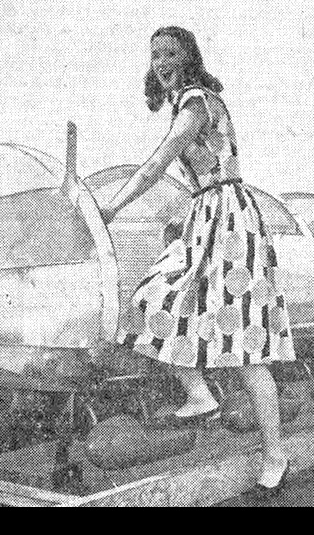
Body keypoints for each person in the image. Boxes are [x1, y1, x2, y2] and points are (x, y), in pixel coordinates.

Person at [98, 26, 296, 496]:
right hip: (208, 215)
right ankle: (200, 393)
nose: (161, 63)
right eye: (155, 56)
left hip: (229, 220)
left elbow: (156, 164)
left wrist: (111, 207)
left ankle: (275, 454)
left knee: (247, 347)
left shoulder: (196, 102)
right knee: (152, 300)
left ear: (189, 58)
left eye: (170, 53)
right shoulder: (185, 105)